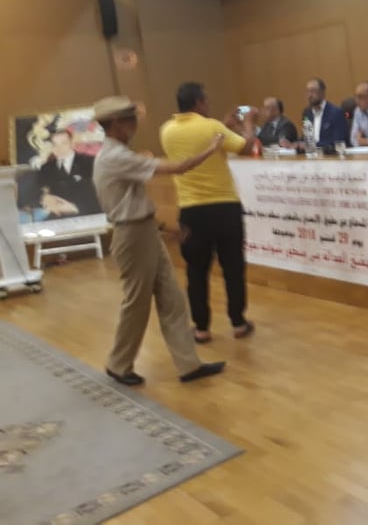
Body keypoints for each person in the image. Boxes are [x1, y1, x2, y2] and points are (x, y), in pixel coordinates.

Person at [92, 96, 225, 386]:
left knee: (172, 299)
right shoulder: (115, 157)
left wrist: (164, 229)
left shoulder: (117, 154)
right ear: (117, 124)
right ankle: (118, 364)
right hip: (133, 237)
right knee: (137, 303)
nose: (135, 126)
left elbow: (134, 203)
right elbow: (178, 167)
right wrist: (211, 148)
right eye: (131, 121)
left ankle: (188, 365)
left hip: (142, 232)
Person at [160, 82, 257, 344]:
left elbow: (200, 142)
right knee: (233, 268)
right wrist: (248, 123)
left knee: (196, 271)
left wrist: (224, 125)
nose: (209, 105)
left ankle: (202, 328)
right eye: (206, 101)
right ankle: (238, 323)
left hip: (191, 210)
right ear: (199, 103)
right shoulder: (213, 127)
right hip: (224, 207)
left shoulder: (166, 131)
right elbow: (246, 148)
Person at [36, 129, 102, 218]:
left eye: (64, 143)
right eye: (55, 145)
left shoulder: (90, 162)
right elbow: (40, 190)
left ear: (72, 144)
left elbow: (101, 193)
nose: (59, 148)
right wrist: (45, 197)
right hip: (57, 215)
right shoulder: (46, 168)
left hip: (89, 214)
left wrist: (76, 208)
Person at [301, 78, 349, 149]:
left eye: (313, 91)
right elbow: (307, 137)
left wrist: (313, 145)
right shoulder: (307, 113)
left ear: (322, 92)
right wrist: (297, 144)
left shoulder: (336, 113)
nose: (310, 95)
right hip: (312, 153)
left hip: (330, 154)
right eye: (308, 91)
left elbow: (338, 141)